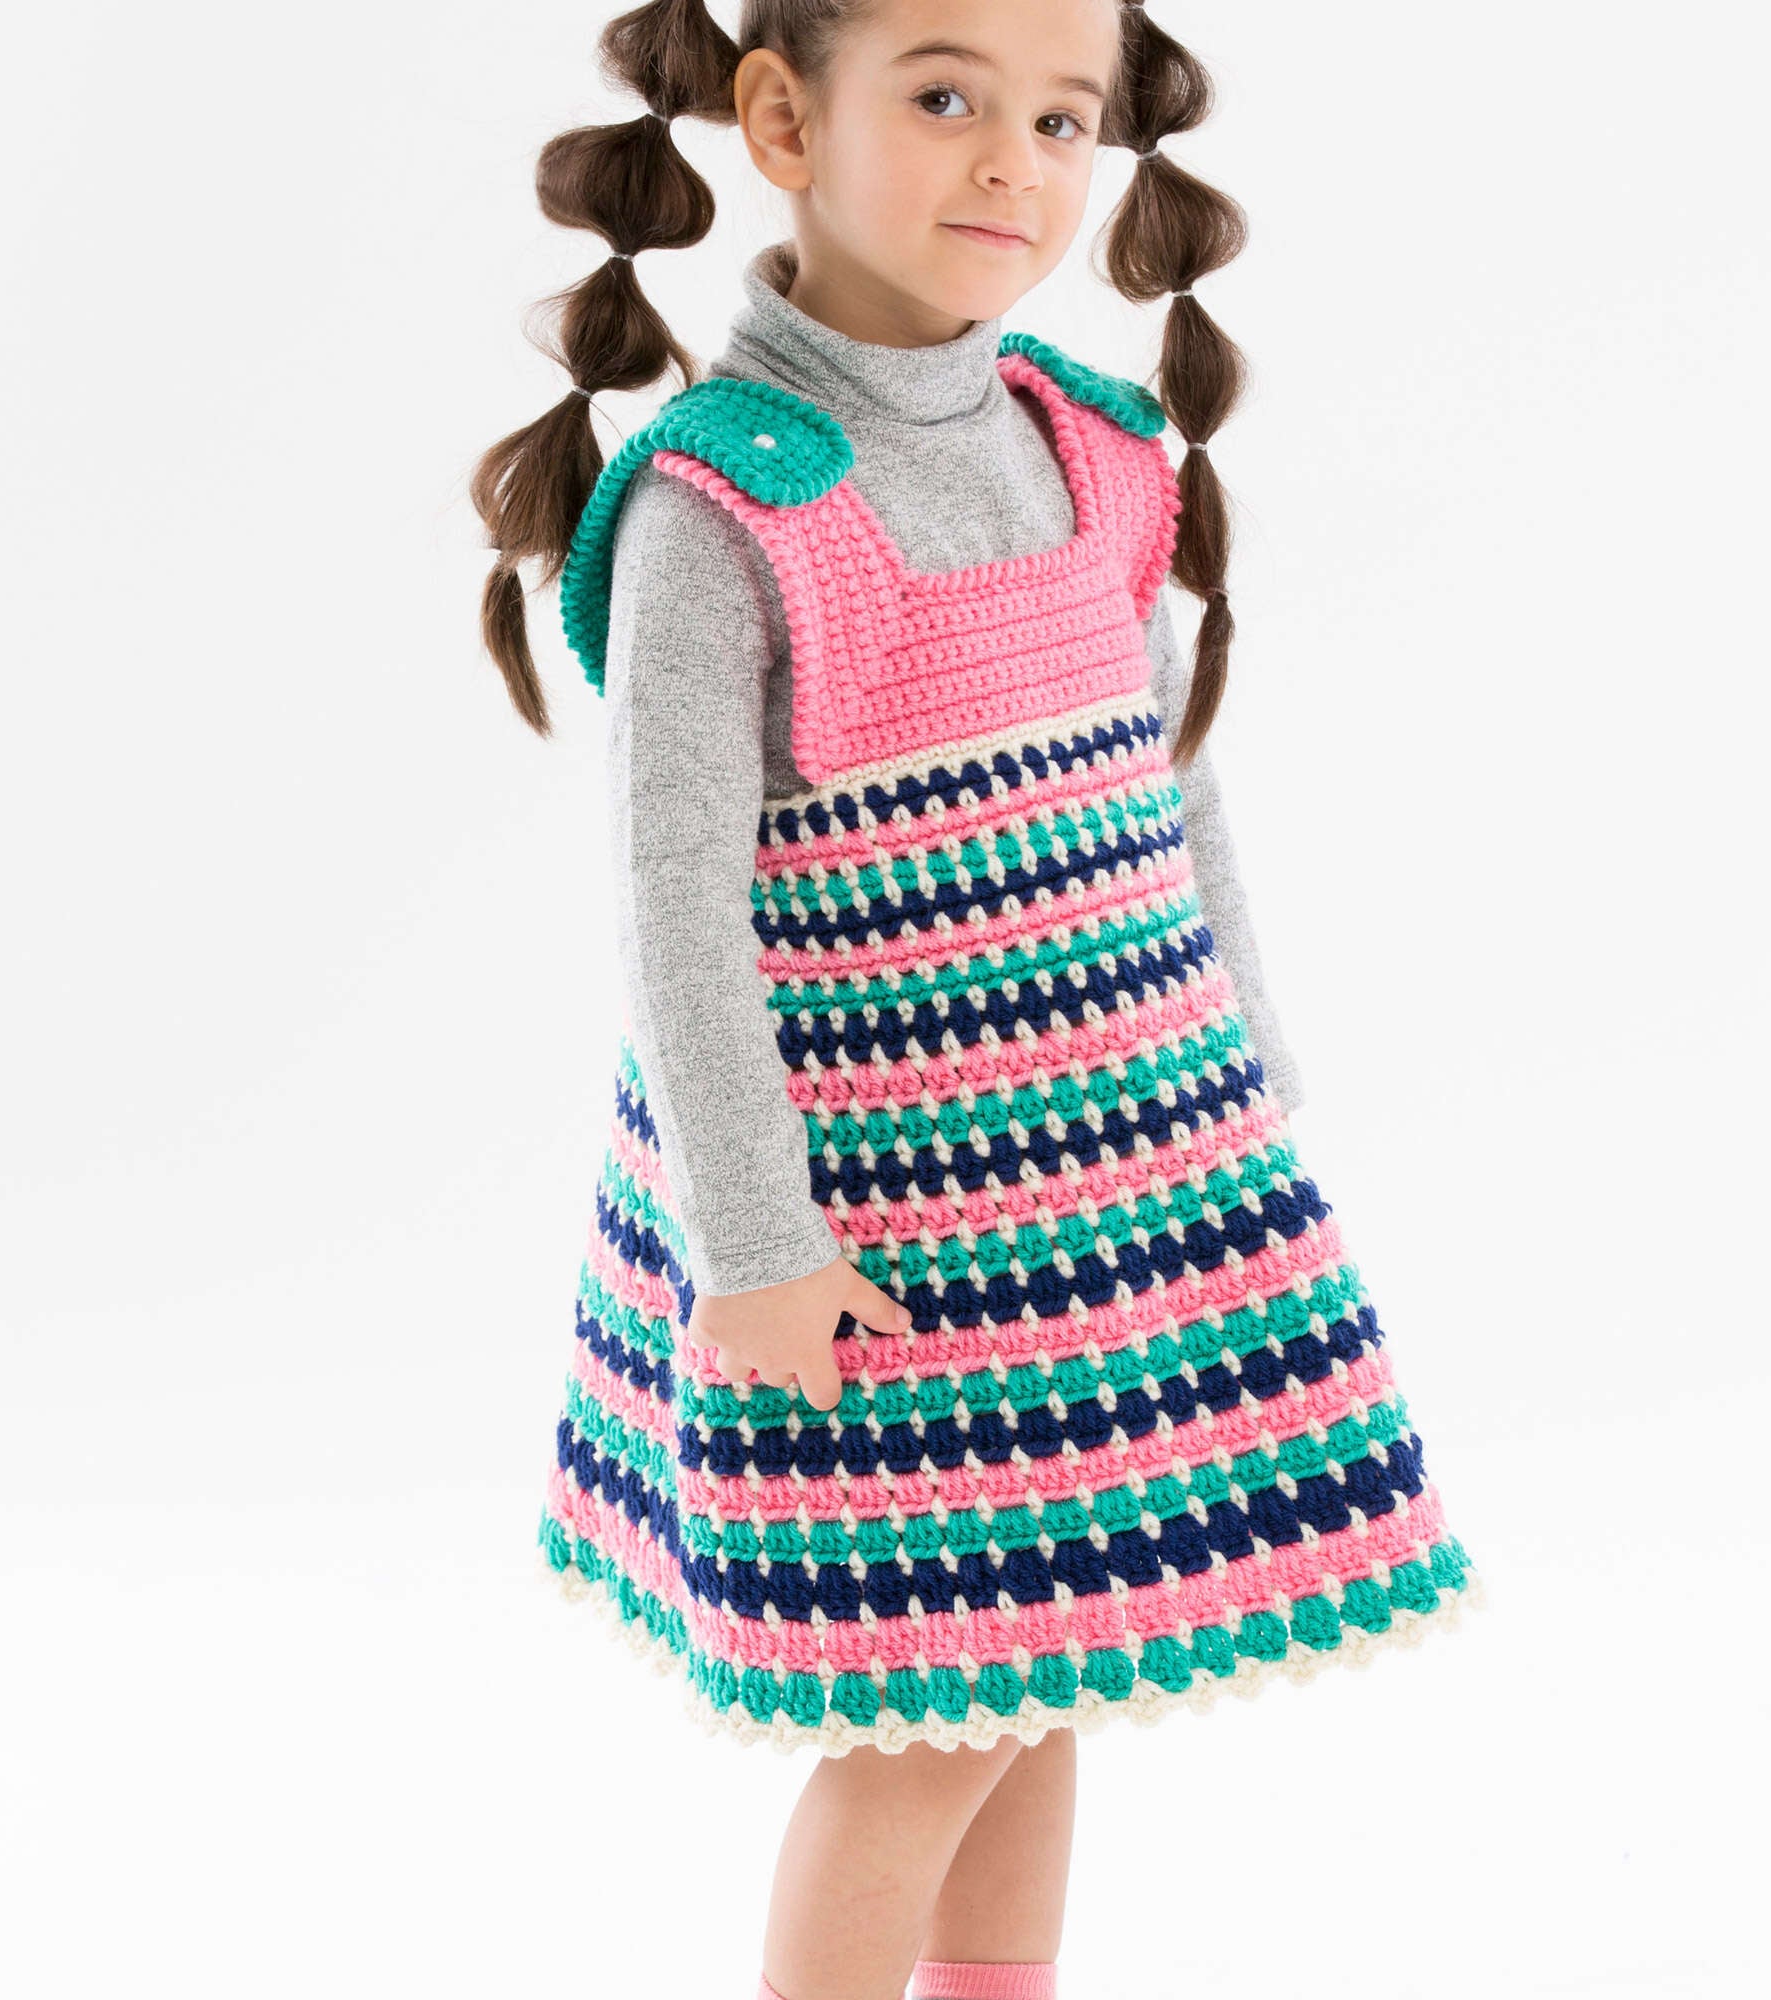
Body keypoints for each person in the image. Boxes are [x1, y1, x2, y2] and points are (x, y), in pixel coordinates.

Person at [471, 6, 1485, 1997]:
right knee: (915, 1714)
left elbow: (1167, 775)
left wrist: (1242, 1072)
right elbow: (676, 910)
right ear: (781, 118)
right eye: (944, 98)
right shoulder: (721, 505)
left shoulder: (1090, 443)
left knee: (1047, 1666)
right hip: (878, 1235)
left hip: (1113, 1185)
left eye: (1061, 117)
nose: (1014, 158)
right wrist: (756, 1243)